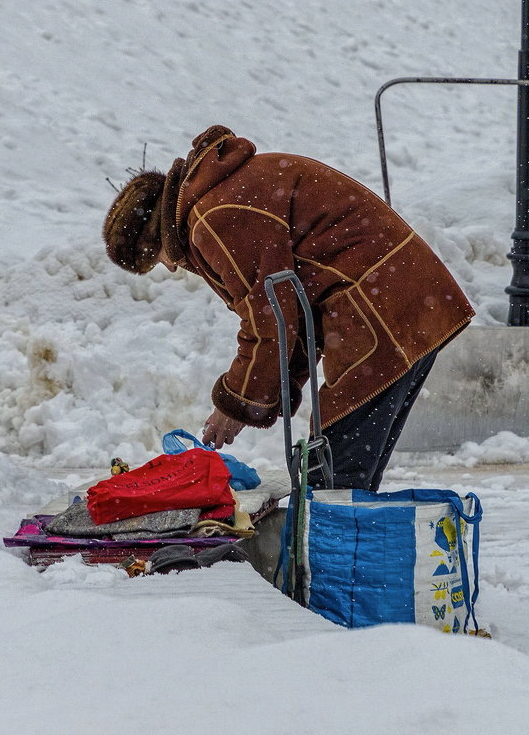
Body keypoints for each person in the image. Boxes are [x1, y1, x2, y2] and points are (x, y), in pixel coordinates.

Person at [102, 125, 474, 491]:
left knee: (330, 478)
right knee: (342, 472)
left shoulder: (213, 218)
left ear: (157, 236)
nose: (170, 266)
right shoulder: (223, 194)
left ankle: (332, 551)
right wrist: (254, 400)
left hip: (378, 308)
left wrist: (236, 403)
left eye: (159, 259)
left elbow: (269, 322)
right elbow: (291, 316)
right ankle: (348, 546)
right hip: (403, 299)